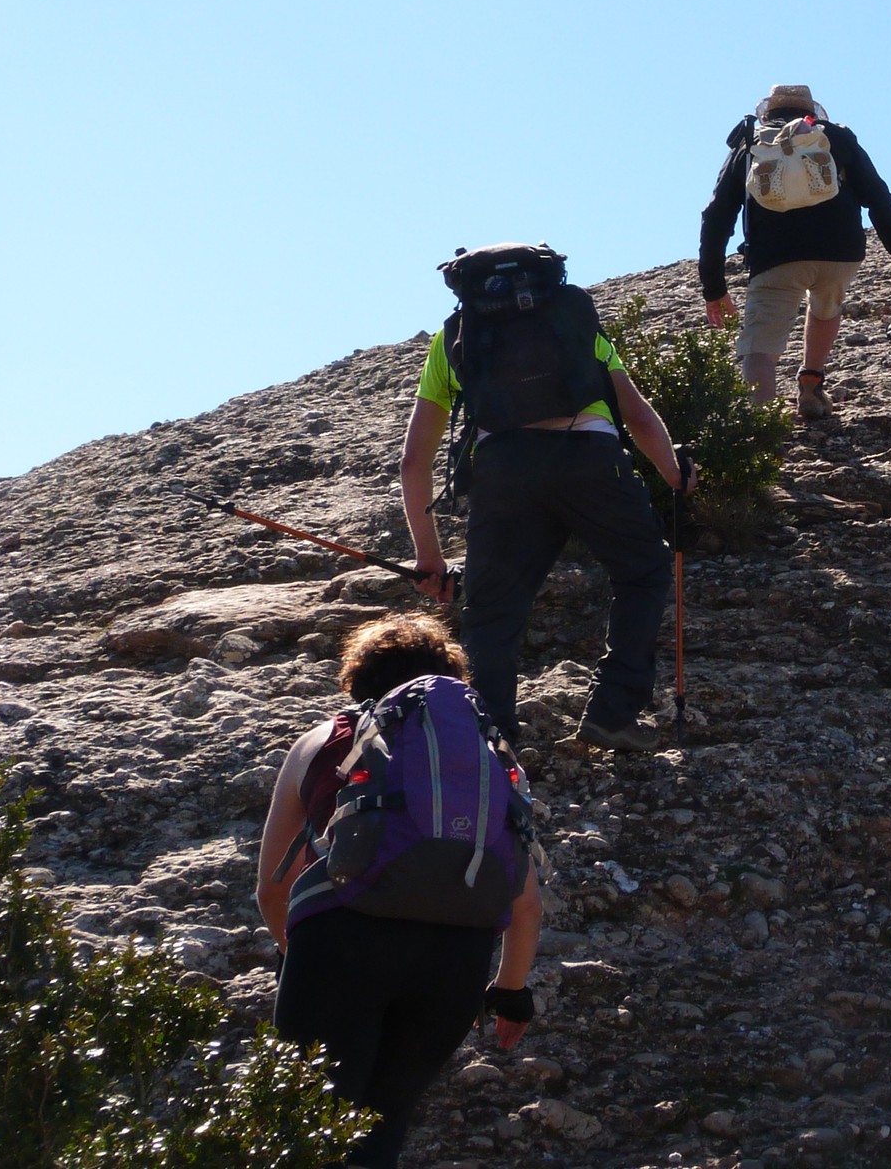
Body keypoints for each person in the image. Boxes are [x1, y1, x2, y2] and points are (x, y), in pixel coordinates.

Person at [260, 614, 543, 1169]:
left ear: (358, 680)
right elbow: (525, 901)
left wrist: (298, 957)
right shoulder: (483, 757)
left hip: (340, 941)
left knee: (304, 1133)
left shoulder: (325, 741)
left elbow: (273, 889)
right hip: (454, 960)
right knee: (381, 1127)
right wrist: (510, 993)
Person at [400, 242, 689, 750]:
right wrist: (674, 474)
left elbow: (413, 461)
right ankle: (612, 713)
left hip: (503, 469)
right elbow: (637, 415)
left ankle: (490, 741)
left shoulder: (455, 336)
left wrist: (430, 557)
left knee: (492, 610)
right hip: (591, 460)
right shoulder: (572, 317)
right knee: (643, 571)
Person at [700, 83, 891, 419]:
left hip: (776, 256)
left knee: (760, 349)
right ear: (811, 111)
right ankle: (811, 387)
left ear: (768, 113)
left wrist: (714, 288)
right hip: (840, 252)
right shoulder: (835, 137)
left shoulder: (751, 144)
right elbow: (879, 198)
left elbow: (717, 215)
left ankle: (761, 435)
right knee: (825, 309)